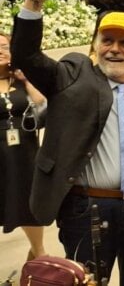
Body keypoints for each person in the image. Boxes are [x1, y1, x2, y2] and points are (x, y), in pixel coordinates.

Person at [13, 0, 124, 286]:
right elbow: (25, 54)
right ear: (95, 45)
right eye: (108, 40)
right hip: (89, 209)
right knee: (86, 282)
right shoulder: (73, 75)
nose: (115, 48)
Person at [0, 33, 48, 260]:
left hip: (25, 152)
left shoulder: (21, 78)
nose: (1, 51)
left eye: (5, 47)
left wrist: (26, 80)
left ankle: (38, 255)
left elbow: (43, 105)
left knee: (29, 204)